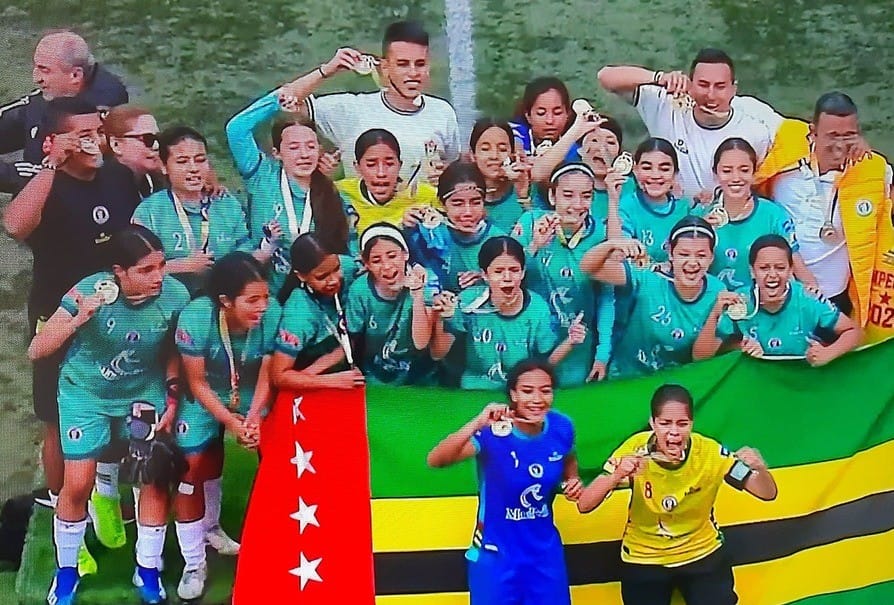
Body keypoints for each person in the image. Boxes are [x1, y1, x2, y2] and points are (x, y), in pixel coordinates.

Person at [28, 226, 190, 605]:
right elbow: (37, 350)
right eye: (147, 270)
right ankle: (66, 573)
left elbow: (175, 351)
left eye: (162, 265)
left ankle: (147, 571)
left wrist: (170, 394)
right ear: (119, 272)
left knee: (151, 480)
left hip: (143, 393)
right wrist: (78, 319)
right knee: (77, 484)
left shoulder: (176, 296)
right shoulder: (87, 292)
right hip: (85, 393)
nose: (159, 277)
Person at [3, 98, 141, 535]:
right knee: (56, 415)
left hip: (115, 314)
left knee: (118, 402)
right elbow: (15, 226)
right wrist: (50, 166)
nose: (94, 142)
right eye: (82, 135)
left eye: (96, 132)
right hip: (57, 315)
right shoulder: (45, 184)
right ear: (53, 141)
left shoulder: (119, 178)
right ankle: (62, 508)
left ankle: (105, 498)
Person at [578, 384, 778, 605]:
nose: (674, 432)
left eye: (682, 424)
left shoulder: (710, 453)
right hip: (644, 557)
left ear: (691, 423)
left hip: (701, 553)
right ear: (653, 423)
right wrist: (616, 475)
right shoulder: (634, 450)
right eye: (665, 423)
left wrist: (761, 468)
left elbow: (767, 494)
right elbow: (585, 504)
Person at [427, 359, 582, 605]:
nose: (537, 399)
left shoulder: (562, 426)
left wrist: (572, 480)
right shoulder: (494, 430)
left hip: (544, 555)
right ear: (513, 394)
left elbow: (568, 458)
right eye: (527, 391)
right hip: (496, 555)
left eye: (545, 390)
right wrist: (477, 422)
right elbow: (436, 460)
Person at [172, 252, 280, 600]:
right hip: (204, 396)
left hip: (248, 392)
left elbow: (267, 372)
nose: (262, 306)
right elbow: (198, 382)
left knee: (277, 449)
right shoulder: (196, 317)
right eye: (252, 300)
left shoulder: (272, 314)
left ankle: (215, 528)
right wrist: (230, 421)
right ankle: (193, 561)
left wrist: (252, 418)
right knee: (191, 469)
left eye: (265, 296)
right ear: (225, 301)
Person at [754, 92, 894, 344]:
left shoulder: (875, 171)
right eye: (832, 136)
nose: (840, 144)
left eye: (848, 135)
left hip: (836, 300)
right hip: (781, 293)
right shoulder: (783, 156)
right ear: (813, 132)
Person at [277, 21, 459, 182]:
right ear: (385, 67)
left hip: (424, 217)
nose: (413, 73)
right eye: (403, 64)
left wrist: (448, 174)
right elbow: (284, 100)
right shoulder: (351, 110)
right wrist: (328, 70)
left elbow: (455, 169)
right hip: (361, 218)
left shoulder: (442, 112)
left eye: (419, 64)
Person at [596, 48, 782, 198]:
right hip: (670, 214)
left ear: (734, 89)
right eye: (703, 84)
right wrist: (659, 78)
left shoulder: (755, 131)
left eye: (720, 86)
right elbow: (606, 77)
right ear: (690, 83)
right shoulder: (666, 104)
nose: (710, 95)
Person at [225, 89, 350, 293]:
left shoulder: (331, 194)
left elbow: (349, 247)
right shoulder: (262, 176)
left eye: (310, 147)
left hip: (319, 294)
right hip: (265, 293)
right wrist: (276, 101)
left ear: (319, 150)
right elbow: (236, 130)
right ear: (277, 153)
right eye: (293, 147)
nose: (303, 155)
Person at [581, 216, 728, 379]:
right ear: (671, 253)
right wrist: (613, 244)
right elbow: (588, 268)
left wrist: (715, 313)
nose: (692, 262)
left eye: (701, 255)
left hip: (677, 385)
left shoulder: (717, 291)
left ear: (711, 257)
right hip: (630, 378)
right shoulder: (650, 277)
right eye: (684, 254)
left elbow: (700, 358)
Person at [429, 236, 585, 389]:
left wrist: (570, 342)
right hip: (473, 387)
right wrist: (442, 319)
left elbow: (545, 364)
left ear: (523, 273)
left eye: (514, 270)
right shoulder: (467, 301)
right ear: (485, 275)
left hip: (519, 391)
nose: (507, 278)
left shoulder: (537, 308)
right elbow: (437, 354)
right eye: (498, 271)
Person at [511, 163, 615, 385]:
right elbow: (507, 278)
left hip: (577, 346)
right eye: (568, 195)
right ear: (552, 195)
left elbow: (607, 296)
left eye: (586, 196)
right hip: (529, 341)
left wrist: (602, 353)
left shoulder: (599, 234)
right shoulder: (530, 223)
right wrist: (534, 247)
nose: (577, 205)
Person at [693, 235, 861, 363]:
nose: (772, 275)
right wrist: (738, 346)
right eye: (764, 268)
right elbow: (700, 357)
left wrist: (828, 353)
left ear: (790, 271)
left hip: (801, 380)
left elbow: (855, 332)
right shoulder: (740, 301)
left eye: (780, 268)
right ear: (752, 271)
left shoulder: (807, 297)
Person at [131, 126, 254, 296]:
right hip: (168, 303)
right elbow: (135, 269)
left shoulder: (225, 202)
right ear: (164, 166)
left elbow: (245, 248)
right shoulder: (149, 212)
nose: (193, 168)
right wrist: (182, 265)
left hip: (225, 300)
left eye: (200, 160)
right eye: (182, 161)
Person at [0, 30, 128, 193]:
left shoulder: (95, 119)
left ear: (75, 75)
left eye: (44, 70)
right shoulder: (51, 99)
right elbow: (19, 117)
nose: (36, 78)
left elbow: (50, 175)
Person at [693, 137, 817, 290]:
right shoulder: (699, 216)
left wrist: (812, 290)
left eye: (744, 170)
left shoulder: (773, 215)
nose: (736, 178)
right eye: (727, 171)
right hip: (710, 307)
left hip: (759, 308)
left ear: (754, 172)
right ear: (715, 174)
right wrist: (700, 232)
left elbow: (799, 269)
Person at [346, 224, 438, 385]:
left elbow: (421, 342)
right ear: (366, 264)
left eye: (392, 256)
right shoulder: (360, 290)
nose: (387, 266)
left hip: (417, 375)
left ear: (406, 254)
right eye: (376, 260)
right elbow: (354, 337)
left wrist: (417, 296)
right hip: (373, 374)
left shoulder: (425, 281)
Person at [271, 233, 364, 391]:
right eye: (322, 277)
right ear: (301, 276)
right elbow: (279, 376)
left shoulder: (348, 266)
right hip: (324, 379)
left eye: (336, 269)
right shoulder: (298, 314)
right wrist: (332, 381)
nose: (334, 280)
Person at [405, 161, 506, 292]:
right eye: (458, 204)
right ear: (442, 204)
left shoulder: (499, 242)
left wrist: (487, 280)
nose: (468, 212)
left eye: (475, 202)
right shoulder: (429, 235)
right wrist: (406, 230)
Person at [337, 128, 439, 237]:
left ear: (399, 165)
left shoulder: (429, 196)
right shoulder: (338, 194)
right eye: (371, 164)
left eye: (389, 164)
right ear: (357, 167)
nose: (381, 173)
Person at [618, 138, 694, 265]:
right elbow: (621, 255)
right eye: (647, 168)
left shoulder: (684, 208)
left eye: (664, 169)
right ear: (635, 171)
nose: (655, 175)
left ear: (675, 174)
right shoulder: (626, 206)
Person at [469, 118, 537, 233]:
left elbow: (541, 235)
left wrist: (523, 197)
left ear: (512, 154)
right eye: (485, 149)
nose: (494, 156)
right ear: (472, 155)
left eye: (502, 149)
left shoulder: (530, 188)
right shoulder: (462, 194)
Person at [102, 104, 165, 198]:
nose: (156, 146)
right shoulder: (101, 189)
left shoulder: (164, 185)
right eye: (148, 139)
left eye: (158, 138)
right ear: (116, 145)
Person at [509, 77, 577, 161]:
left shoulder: (573, 148)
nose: (550, 121)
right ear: (528, 115)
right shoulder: (514, 134)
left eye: (557, 113)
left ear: (567, 114)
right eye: (541, 113)